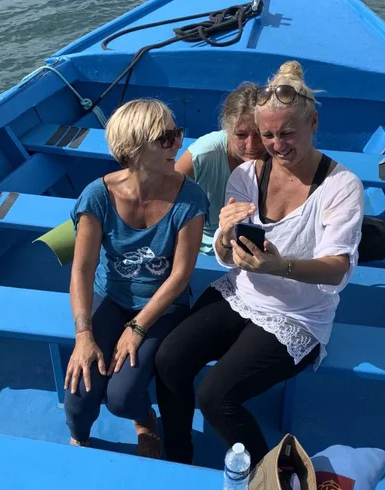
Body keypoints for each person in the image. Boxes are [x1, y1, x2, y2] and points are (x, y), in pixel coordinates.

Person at [154, 61, 365, 467]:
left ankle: (270, 475)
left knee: (216, 396)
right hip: (243, 294)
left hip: (298, 314)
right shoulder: (248, 174)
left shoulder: (342, 186)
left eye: (287, 133)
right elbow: (228, 254)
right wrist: (225, 237)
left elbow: (338, 267)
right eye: (268, 135)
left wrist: (280, 267)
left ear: (313, 123)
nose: (276, 145)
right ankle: (177, 456)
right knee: (168, 360)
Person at [63, 99, 209, 459]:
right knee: (79, 397)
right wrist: (84, 336)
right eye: (166, 138)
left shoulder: (190, 199)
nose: (179, 143)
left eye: (177, 133)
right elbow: (82, 269)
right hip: (110, 297)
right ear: (133, 148)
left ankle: (145, 420)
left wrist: (138, 327)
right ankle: (80, 438)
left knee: (122, 397)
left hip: (163, 305)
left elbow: (180, 276)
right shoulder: (98, 197)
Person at [175, 82, 265, 254]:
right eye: (241, 135)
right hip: (203, 249)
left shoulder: (278, 155)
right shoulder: (204, 153)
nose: (251, 145)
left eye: (260, 134)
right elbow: (164, 195)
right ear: (227, 129)